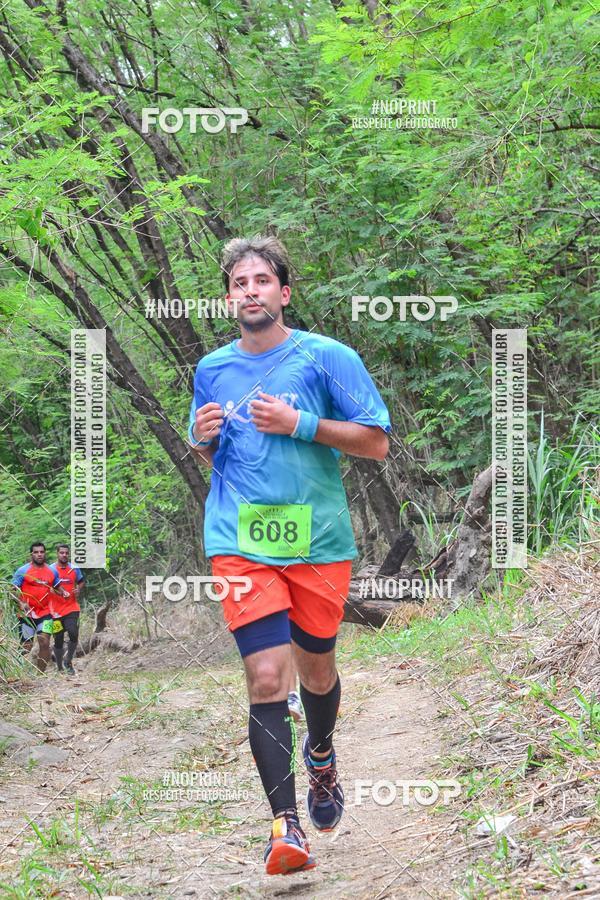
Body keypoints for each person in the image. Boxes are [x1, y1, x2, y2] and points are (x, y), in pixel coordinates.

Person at [188, 236, 391, 875]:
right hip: (239, 542)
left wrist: (299, 424)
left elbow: (376, 442)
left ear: (284, 291)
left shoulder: (328, 357)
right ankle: (285, 828)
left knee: (317, 670)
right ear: (228, 298)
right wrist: (202, 441)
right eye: (239, 283)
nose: (250, 290)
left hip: (317, 541)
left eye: (261, 280)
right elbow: (213, 453)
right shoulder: (212, 369)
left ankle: (322, 755)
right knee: (268, 678)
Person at [11, 543, 66, 672]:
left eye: (41, 552)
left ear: (45, 553)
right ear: (32, 554)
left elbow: (57, 586)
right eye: (36, 552)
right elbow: (12, 591)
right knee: (26, 646)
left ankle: (40, 674)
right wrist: (21, 604)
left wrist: (64, 592)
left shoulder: (52, 570)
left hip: (46, 613)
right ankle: (19, 673)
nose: (39, 554)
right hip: (27, 615)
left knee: (45, 643)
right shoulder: (22, 571)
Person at [49, 544, 84, 675]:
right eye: (61, 553)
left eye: (66, 553)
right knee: (58, 639)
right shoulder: (51, 569)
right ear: (57, 554)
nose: (64, 555)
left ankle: (68, 661)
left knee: (73, 633)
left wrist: (78, 589)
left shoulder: (74, 568)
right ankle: (59, 667)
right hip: (55, 611)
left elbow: (81, 581)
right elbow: (46, 585)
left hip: (71, 607)